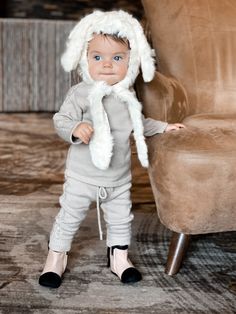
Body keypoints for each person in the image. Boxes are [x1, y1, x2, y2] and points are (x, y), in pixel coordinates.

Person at [38, 10, 185, 289]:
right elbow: (61, 119)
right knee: (69, 216)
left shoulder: (127, 98)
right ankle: (56, 256)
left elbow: (139, 124)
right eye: (97, 57)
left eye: (117, 58)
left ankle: (119, 256)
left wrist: (164, 127)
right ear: (86, 59)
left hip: (117, 179)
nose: (107, 65)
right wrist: (75, 128)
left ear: (130, 63)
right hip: (82, 177)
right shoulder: (80, 94)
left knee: (121, 219)